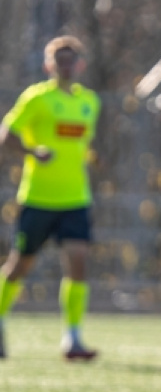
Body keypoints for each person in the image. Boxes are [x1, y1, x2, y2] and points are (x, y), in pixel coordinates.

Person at [0, 35, 101, 360]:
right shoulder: (36, 98)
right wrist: (32, 151)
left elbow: (82, 145)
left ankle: (72, 339)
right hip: (38, 198)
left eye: (71, 60)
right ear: (48, 65)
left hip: (75, 199)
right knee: (19, 267)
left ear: (80, 64)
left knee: (79, 263)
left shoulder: (89, 102)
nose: (66, 66)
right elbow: (6, 135)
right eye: (59, 61)